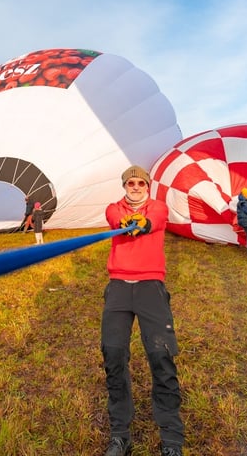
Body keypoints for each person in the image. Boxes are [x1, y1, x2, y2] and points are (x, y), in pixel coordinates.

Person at [102, 165, 184, 456]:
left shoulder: (158, 207)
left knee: (161, 356)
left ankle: (172, 440)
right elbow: (114, 218)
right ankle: (120, 436)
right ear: (124, 186)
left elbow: (156, 219)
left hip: (150, 285)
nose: (135, 187)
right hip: (119, 287)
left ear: (147, 186)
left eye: (140, 183)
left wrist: (143, 224)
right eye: (130, 183)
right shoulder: (114, 209)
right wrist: (129, 221)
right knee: (113, 356)